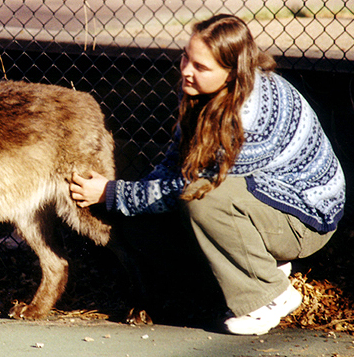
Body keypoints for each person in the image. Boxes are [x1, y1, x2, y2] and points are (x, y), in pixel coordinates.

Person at [69, 14, 346, 335]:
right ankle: (250, 269)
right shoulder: (202, 91)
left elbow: (190, 185)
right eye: (186, 56)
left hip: (304, 220)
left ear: (232, 73)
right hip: (261, 202)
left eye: (200, 67)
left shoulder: (249, 114)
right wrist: (131, 197)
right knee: (142, 221)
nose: (186, 69)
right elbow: (175, 161)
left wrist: (112, 193)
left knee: (205, 200)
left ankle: (269, 296)